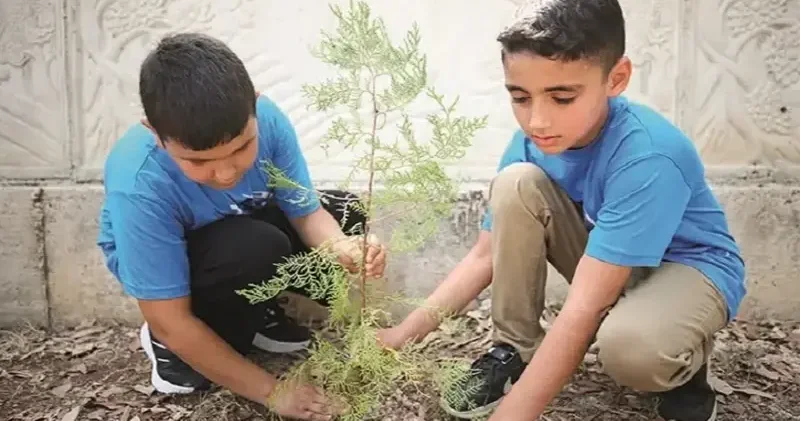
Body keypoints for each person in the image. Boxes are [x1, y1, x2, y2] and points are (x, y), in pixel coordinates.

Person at [377, 1, 746, 420]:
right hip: (608, 262)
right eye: (520, 97)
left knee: (632, 351)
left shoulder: (649, 154)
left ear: (616, 78)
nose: (537, 121)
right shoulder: (532, 143)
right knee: (515, 182)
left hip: (687, 269)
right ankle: (514, 351)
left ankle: (684, 365)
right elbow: (484, 255)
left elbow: (585, 306)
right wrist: (401, 336)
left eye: (562, 97)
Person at [96, 32, 385, 421]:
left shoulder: (269, 121)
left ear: (256, 106)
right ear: (156, 136)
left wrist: (344, 247)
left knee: (346, 212)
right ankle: (171, 353)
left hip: (240, 232)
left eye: (241, 148)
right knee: (255, 247)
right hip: (191, 264)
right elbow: (171, 320)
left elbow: (306, 213)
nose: (226, 172)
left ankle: (256, 310)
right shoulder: (139, 183)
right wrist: (274, 392)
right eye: (199, 162)